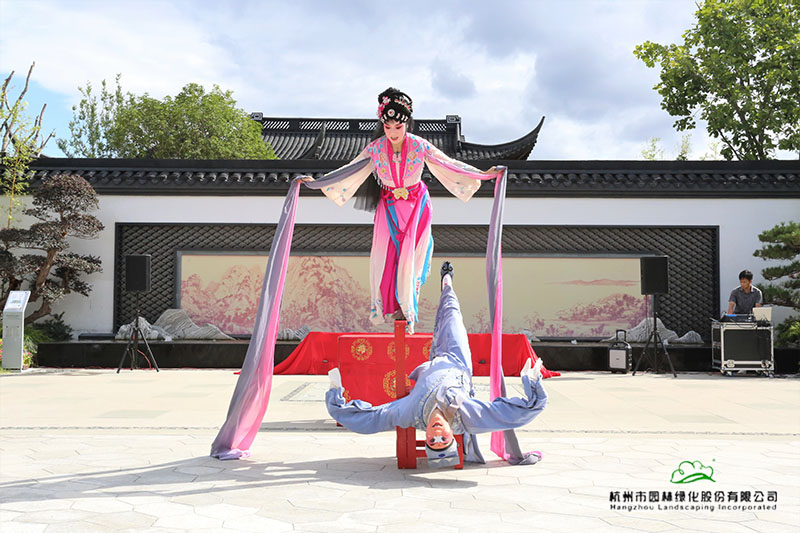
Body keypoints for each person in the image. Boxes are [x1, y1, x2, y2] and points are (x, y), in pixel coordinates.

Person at [304, 88, 503, 334]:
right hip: (388, 208)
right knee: (385, 258)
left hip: (416, 207)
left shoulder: (419, 146)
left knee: (410, 260)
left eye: (398, 127)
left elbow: (448, 163)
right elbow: (350, 169)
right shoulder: (375, 149)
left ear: (407, 123)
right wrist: (318, 182)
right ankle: (393, 308)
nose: (393, 132)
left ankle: (407, 311)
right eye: (387, 127)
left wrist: (483, 174)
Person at [325, 262, 547, 467]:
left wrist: (336, 399)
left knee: (443, 321)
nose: (437, 435)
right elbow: (509, 414)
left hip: (433, 363)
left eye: (432, 441)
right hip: (458, 359)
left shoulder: (410, 413)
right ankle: (447, 284)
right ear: (452, 435)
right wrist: (533, 385)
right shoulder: (466, 416)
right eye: (444, 440)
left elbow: (372, 419)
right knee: (452, 317)